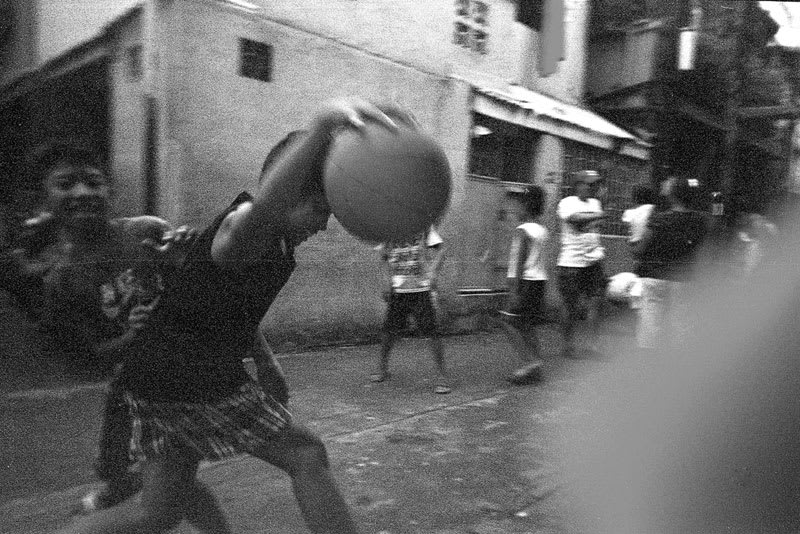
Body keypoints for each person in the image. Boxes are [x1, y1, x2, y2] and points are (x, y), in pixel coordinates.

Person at [55, 98, 401, 534]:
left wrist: (266, 359)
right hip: (189, 376)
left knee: (158, 513)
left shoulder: (272, 246)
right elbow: (266, 209)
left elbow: (221, 307)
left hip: (157, 378)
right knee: (307, 455)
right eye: (320, 209)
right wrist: (320, 130)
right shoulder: (248, 229)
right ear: (290, 194)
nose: (324, 225)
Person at [5, 142, 229, 529]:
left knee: (164, 497)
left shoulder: (147, 232)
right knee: (141, 476)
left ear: (108, 189)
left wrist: (185, 257)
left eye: (93, 181)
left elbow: (208, 295)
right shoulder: (62, 281)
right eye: (65, 184)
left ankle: (95, 517)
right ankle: (108, 502)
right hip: (131, 393)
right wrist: (132, 336)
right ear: (46, 200)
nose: (82, 193)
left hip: (188, 381)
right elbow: (93, 357)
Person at [632, 175, 709, 351]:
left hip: (655, 277)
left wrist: (635, 248)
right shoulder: (700, 221)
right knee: (681, 324)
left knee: (650, 324)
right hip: (683, 278)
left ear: (673, 195)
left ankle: (648, 364)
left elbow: (640, 249)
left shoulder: (658, 219)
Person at [371, 225, 451, 394]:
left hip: (420, 290)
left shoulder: (423, 226)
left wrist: (433, 272)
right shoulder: (387, 227)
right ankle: (382, 368)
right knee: (389, 331)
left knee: (431, 332)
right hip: (398, 290)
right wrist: (386, 282)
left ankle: (442, 376)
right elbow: (383, 258)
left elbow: (441, 249)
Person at [498, 185, 548, 384]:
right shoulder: (542, 230)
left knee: (507, 322)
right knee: (527, 325)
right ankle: (536, 366)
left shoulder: (523, 231)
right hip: (539, 282)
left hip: (525, 283)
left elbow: (517, 263)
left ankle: (530, 363)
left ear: (527, 205)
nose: (516, 208)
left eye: (519, 204)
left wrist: (513, 290)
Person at [556, 169, 607, 358]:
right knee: (570, 305)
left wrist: (599, 211)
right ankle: (568, 345)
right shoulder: (567, 203)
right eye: (589, 183)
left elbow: (594, 224)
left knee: (596, 302)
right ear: (578, 185)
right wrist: (599, 215)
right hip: (572, 262)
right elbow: (575, 220)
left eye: (595, 184)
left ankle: (592, 345)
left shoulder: (595, 203)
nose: (593, 187)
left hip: (594, 261)